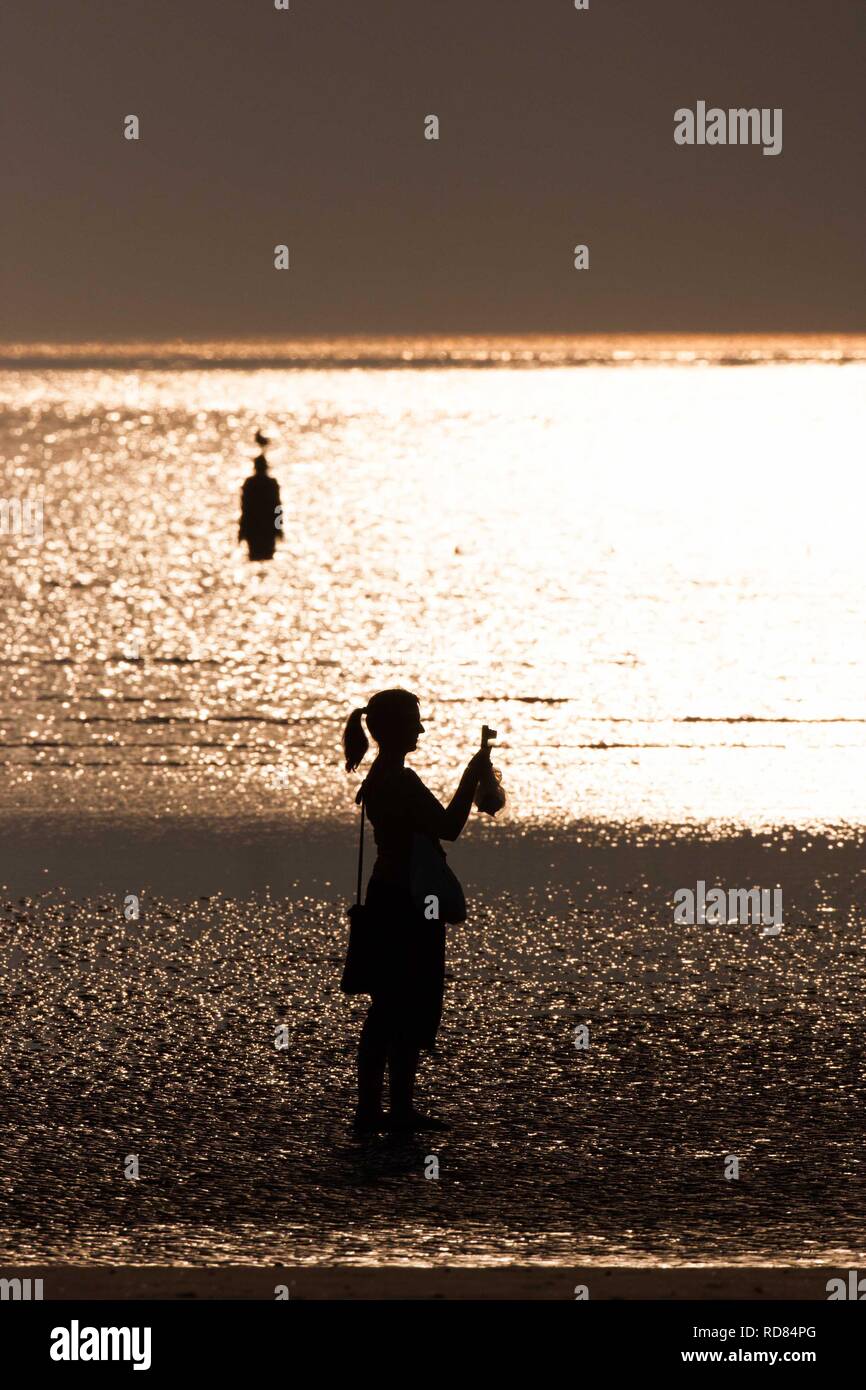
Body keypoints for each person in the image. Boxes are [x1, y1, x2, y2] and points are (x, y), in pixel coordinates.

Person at [342, 688, 490, 1133]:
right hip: (410, 901)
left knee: (390, 1004)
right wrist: (471, 777)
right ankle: (387, 1110)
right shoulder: (399, 781)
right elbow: (449, 828)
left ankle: (376, 1110)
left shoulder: (379, 776)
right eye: (414, 721)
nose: (421, 728)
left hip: (387, 894)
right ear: (392, 728)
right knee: (403, 1004)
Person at [238, 431, 282, 561]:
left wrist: (242, 531)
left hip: (254, 528)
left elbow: (245, 509)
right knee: (267, 556)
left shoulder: (250, 483)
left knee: (256, 556)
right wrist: (278, 529)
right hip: (267, 529)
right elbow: (277, 509)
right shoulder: (271, 484)